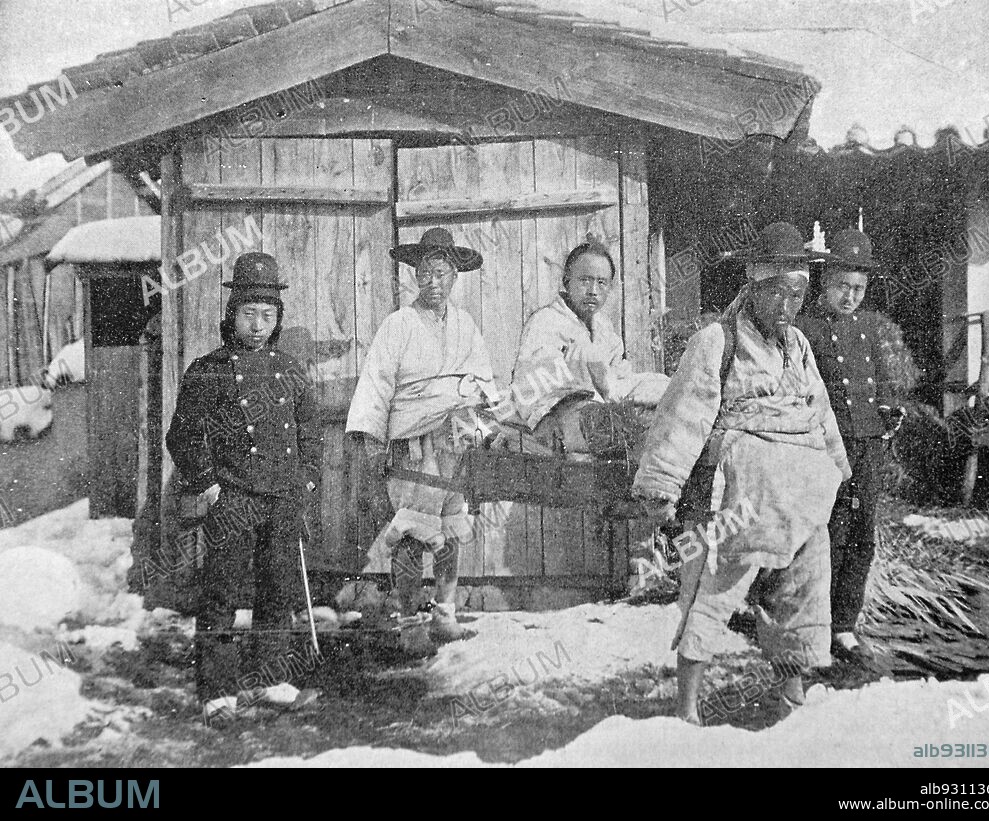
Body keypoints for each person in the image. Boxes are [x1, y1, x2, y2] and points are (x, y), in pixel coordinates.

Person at [631, 222, 852, 725]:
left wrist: (839, 474)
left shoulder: (797, 346)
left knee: (803, 587)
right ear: (752, 284)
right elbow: (683, 414)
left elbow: (820, 414)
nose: (785, 304)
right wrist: (661, 492)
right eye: (775, 291)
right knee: (713, 587)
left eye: (796, 293)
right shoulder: (717, 341)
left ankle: (793, 696)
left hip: (801, 494)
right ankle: (687, 705)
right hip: (738, 498)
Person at [166, 252, 324, 722]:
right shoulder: (208, 370)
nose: (258, 325)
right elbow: (183, 434)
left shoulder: (291, 369)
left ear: (278, 320)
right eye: (249, 314)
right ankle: (217, 692)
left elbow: (310, 430)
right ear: (232, 315)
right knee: (222, 593)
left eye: (267, 316)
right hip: (233, 497)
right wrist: (208, 485)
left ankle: (269, 682)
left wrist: (309, 478)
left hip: (282, 498)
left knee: (277, 590)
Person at [346, 227, 496, 658]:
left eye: (443, 274)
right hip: (412, 442)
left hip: (455, 440)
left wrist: (480, 412)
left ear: (454, 277)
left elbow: (483, 377)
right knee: (412, 532)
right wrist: (372, 439)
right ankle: (410, 621)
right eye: (426, 273)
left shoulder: (465, 325)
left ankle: (444, 614)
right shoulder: (398, 325)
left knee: (451, 528)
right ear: (414, 275)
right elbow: (377, 382)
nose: (434, 283)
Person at [795, 228, 905, 667]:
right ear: (825, 282)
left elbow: (879, 381)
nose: (850, 297)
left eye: (859, 289)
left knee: (862, 535)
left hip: (868, 444)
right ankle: (816, 621)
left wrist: (889, 411)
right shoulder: (804, 327)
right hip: (826, 446)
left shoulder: (869, 328)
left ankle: (845, 624)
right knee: (830, 533)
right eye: (843, 286)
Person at [511, 238, 669, 453]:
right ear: (567, 281)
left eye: (601, 282)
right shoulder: (545, 321)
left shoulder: (602, 324)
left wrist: (612, 383)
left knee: (661, 384)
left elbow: (617, 371)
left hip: (606, 401)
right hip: (564, 411)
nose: (593, 290)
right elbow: (531, 385)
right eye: (585, 280)